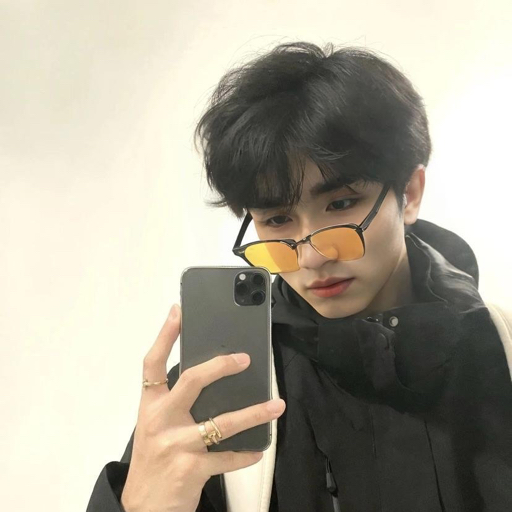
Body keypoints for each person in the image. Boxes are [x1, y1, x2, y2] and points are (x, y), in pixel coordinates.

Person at [86, 42, 512, 512]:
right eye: (276, 219)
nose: (310, 256)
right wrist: (139, 504)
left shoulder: (501, 353)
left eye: (341, 204)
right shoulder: (214, 395)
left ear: (408, 194)